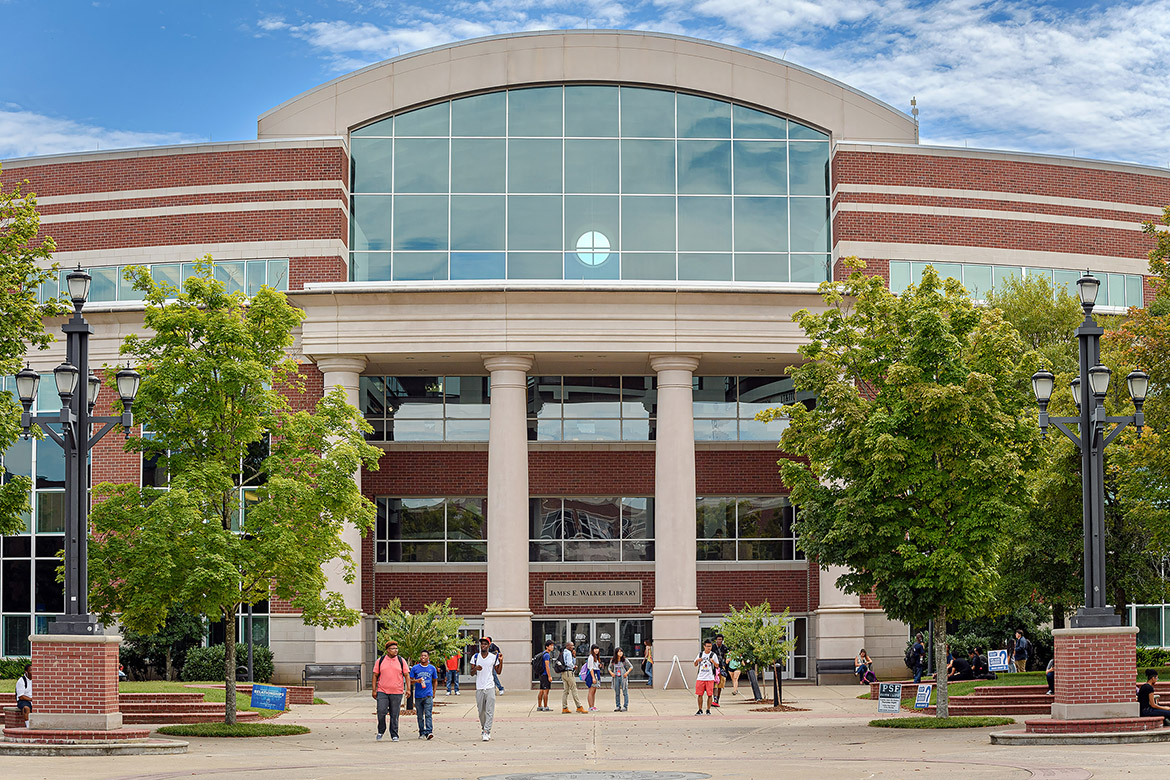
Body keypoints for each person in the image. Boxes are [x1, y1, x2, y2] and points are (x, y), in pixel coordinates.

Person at [372, 639, 409, 742]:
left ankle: (394, 734)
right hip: (382, 691)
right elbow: (375, 675)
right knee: (381, 711)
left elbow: (407, 675)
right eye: (393, 648)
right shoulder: (380, 660)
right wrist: (374, 690)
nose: (395, 650)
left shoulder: (401, 660)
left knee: (394, 714)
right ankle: (381, 730)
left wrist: (408, 689)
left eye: (396, 648)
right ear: (388, 650)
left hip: (397, 691)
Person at [470, 636, 502, 741]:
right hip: (479, 687)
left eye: (485, 644)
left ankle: (487, 731)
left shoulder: (493, 657)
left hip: (490, 686)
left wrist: (501, 661)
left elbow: (498, 671)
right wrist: (476, 668)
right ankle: (484, 728)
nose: (483, 646)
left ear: (489, 645)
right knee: (481, 711)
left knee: (489, 711)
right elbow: (471, 673)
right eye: (482, 644)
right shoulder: (475, 657)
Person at [410, 650, 439, 740]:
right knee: (420, 716)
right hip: (418, 695)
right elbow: (409, 681)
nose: (423, 657)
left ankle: (429, 731)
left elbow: (435, 681)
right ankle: (421, 732)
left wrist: (434, 692)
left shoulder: (432, 668)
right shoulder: (415, 668)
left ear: (428, 657)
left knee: (428, 714)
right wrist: (416, 681)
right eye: (422, 655)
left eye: (425, 656)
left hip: (428, 695)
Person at [694, 639, 720, 715]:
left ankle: (708, 709)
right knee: (699, 694)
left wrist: (713, 661)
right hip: (701, 677)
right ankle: (700, 709)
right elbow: (695, 664)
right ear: (704, 646)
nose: (709, 648)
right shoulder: (700, 654)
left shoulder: (713, 655)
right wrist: (697, 661)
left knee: (710, 694)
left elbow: (717, 665)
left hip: (710, 678)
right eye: (707, 646)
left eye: (710, 646)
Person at [560, 641, 586, 714]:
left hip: (563, 673)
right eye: (571, 645)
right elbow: (569, 663)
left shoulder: (563, 652)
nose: (573, 647)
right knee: (574, 689)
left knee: (566, 691)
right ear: (567, 646)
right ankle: (579, 706)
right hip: (569, 673)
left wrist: (574, 656)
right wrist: (574, 666)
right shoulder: (568, 653)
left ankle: (564, 707)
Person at [611, 647, 633, 712]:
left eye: (621, 651)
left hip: (623, 677)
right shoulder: (613, 660)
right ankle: (618, 706)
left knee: (625, 691)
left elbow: (631, 666)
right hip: (616, 677)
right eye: (619, 652)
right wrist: (611, 673)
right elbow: (609, 667)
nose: (620, 653)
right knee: (617, 692)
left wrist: (627, 673)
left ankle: (625, 706)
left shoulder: (624, 660)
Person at [536, 640, 554, 712]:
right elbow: (547, 666)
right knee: (546, 691)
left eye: (552, 645)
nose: (552, 647)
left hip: (541, 674)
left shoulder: (543, 653)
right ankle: (545, 706)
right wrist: (549, 676)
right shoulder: (547, 655)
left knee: (541, 690)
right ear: (547, 647)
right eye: (550, 646)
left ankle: (539, 706)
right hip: (545, 674)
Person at [584, 644, 603, 712]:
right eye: (595, 649)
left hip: (596, 673)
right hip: (592, 674)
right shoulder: (591, 657)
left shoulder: (596, 657)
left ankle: (592, 706)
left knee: (594, 691)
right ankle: (590, 706)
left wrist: (599, 665)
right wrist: (593, 678)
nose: (596, 650)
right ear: (592, 650)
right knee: (591, 691)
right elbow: (591, 668)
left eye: (597, 649)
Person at [711, 634, 728, 706]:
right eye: (718, 639)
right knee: (714, 684)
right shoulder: (713, 647)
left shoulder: (724, 647)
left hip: (721, 667)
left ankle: (717, 699)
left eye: (721, 639)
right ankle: (714, 699)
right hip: (714, 667)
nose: (719, 641)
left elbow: (727, 656)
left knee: (720, 685)